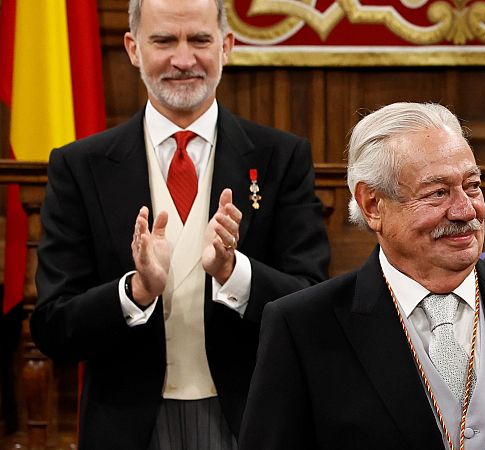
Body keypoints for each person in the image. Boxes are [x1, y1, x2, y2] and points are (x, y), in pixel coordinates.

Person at [238, 102, 485, 449]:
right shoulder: (303, 328)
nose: (465, 211)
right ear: (373, 204)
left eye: (472, 186)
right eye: (437, 193)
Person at [31, 0, 330, 448]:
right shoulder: (80, 166)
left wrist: (235, 274)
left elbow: (312, 304)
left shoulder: (280, 158)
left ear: (226, 45)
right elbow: (53, 328)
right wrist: (135, 292)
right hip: (127, 427)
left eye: (200, 40)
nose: (184, 59)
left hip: (248, 419)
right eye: (164, 40)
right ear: (133, 49)